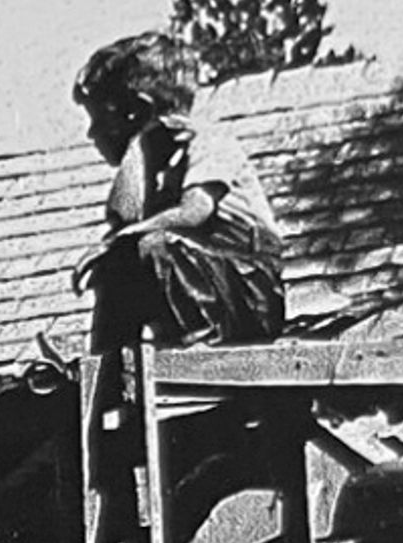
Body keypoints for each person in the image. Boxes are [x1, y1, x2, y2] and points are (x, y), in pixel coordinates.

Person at [70, 33, 287, 352]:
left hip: (250, 294)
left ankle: (200, 338)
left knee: (152, 245)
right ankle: (107, 366)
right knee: (118, 263)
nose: (92, 132)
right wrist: (135, 156)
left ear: (137, 111)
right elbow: (123, 221)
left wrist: (119, 241)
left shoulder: (209, 142)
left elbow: (195, 210)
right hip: (206, 281)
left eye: (101, 118)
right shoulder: (146, 161)